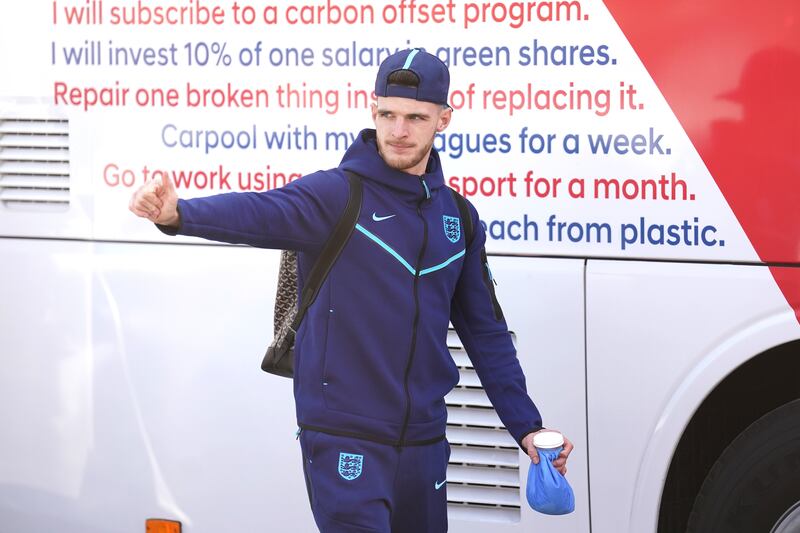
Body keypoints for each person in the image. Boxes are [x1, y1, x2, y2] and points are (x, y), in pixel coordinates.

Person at [129, 48, 573, 533]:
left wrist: (527, 428)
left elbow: (486, 334)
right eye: (388, 114)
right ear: (373, 110)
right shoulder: (337, 195)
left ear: (444, 119)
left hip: (424, 441)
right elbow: (260, 212)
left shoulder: (459, 219)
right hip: (344, 435)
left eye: (415, 118)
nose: (398, 131)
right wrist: (179, 214)